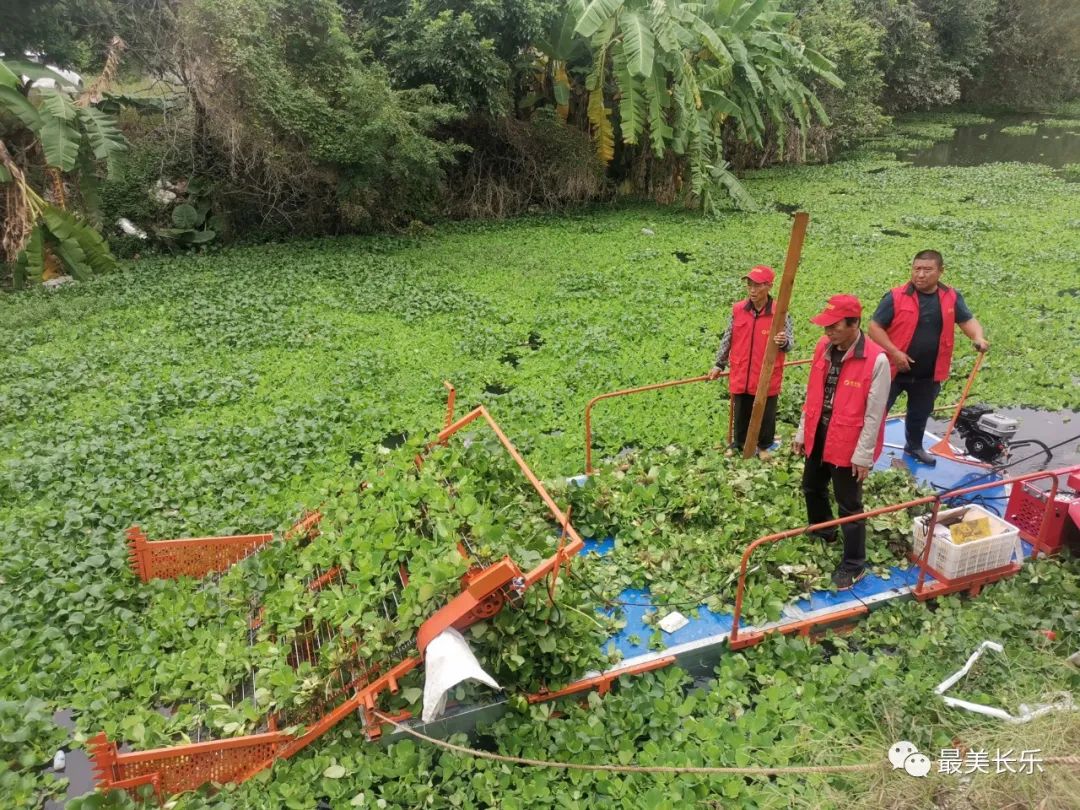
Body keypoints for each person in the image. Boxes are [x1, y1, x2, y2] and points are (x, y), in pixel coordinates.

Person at [792, 295, 891, 589]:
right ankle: (824, 530)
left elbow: (875, 415)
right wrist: (802, 431)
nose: (828, 333)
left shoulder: (876, 360)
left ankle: (854, 564)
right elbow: (813, 393)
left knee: (849, 504)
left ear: (854, 324)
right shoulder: (823, 348)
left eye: (834, 327)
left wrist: (863, 455)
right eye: (826, 327)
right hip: (819, 431)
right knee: (812, 486)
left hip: (849, 441)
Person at [867, 250, 989, 467]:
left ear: (941, 271)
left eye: (927, 270)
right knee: (876, 412)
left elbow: (967, 320)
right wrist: (894, 352)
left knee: (920, 413)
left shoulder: (951, 297)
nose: (920, 275)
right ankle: (865, 452)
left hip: (929, 373)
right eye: (916, 269)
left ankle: (914, 446)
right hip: (893, 370)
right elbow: (874, 328)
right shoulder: (895, 296)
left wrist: (978, 337)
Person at [706, 265, 794, 459]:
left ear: (769, 286)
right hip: (742, 370)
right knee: (741, 411)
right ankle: (739, 444)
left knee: (766, 413)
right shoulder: (739, 309)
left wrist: (783, 342)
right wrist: (718, 364)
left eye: (757, 285)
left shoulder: (780, 312)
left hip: (766, 374)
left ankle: (763, 446)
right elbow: (727, 338)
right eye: (749, 285)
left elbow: (790, 344)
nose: (752, 290)